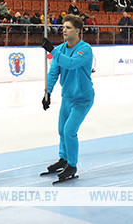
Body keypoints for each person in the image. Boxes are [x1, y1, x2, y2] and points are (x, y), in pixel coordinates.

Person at [40, 14, 94, 183]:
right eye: (63, 27)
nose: (64, 30)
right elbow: (54, 72)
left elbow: (71, 63)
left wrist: (52, 50)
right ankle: (63, 158)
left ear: (77, 31)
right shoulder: (61, 49)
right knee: (61, 130)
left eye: (68, 27)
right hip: (67, 97)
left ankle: (72, 164)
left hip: (82, 99)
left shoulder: (85, 49)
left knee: (70, 131)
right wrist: (47, 92)